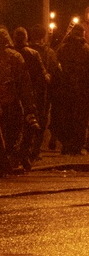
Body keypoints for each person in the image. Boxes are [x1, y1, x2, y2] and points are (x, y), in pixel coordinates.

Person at [0, 27, 34, 174]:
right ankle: (8, 158)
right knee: (12, 131)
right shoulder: (16, 57)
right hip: (11, 100)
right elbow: (24, 81)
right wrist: (28, 103)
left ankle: (1, 160)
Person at [12, 27, 48, 170]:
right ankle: (24, 154)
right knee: (29, 127)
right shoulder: (33, 54)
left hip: (13, 95)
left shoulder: (10, 54)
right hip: (29, 96)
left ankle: (16, 155)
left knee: (15, 127)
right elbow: (41, 75)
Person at [54, 24, 89, 155]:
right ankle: (77, 145)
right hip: (82, 89)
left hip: (66, 88)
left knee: (66, 117)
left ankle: (66, 144)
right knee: (80, 118)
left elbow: (56, 65)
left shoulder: (63, 48)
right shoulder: (86, 49)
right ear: (83, 34)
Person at [28, 24, 59, 159]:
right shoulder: (49, 53)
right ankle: (35, 149)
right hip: (42, 91)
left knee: (29, 118)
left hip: (29, 91)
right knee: (41, 118)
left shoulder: (26, 51)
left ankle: (28, 146)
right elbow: (55, 72)